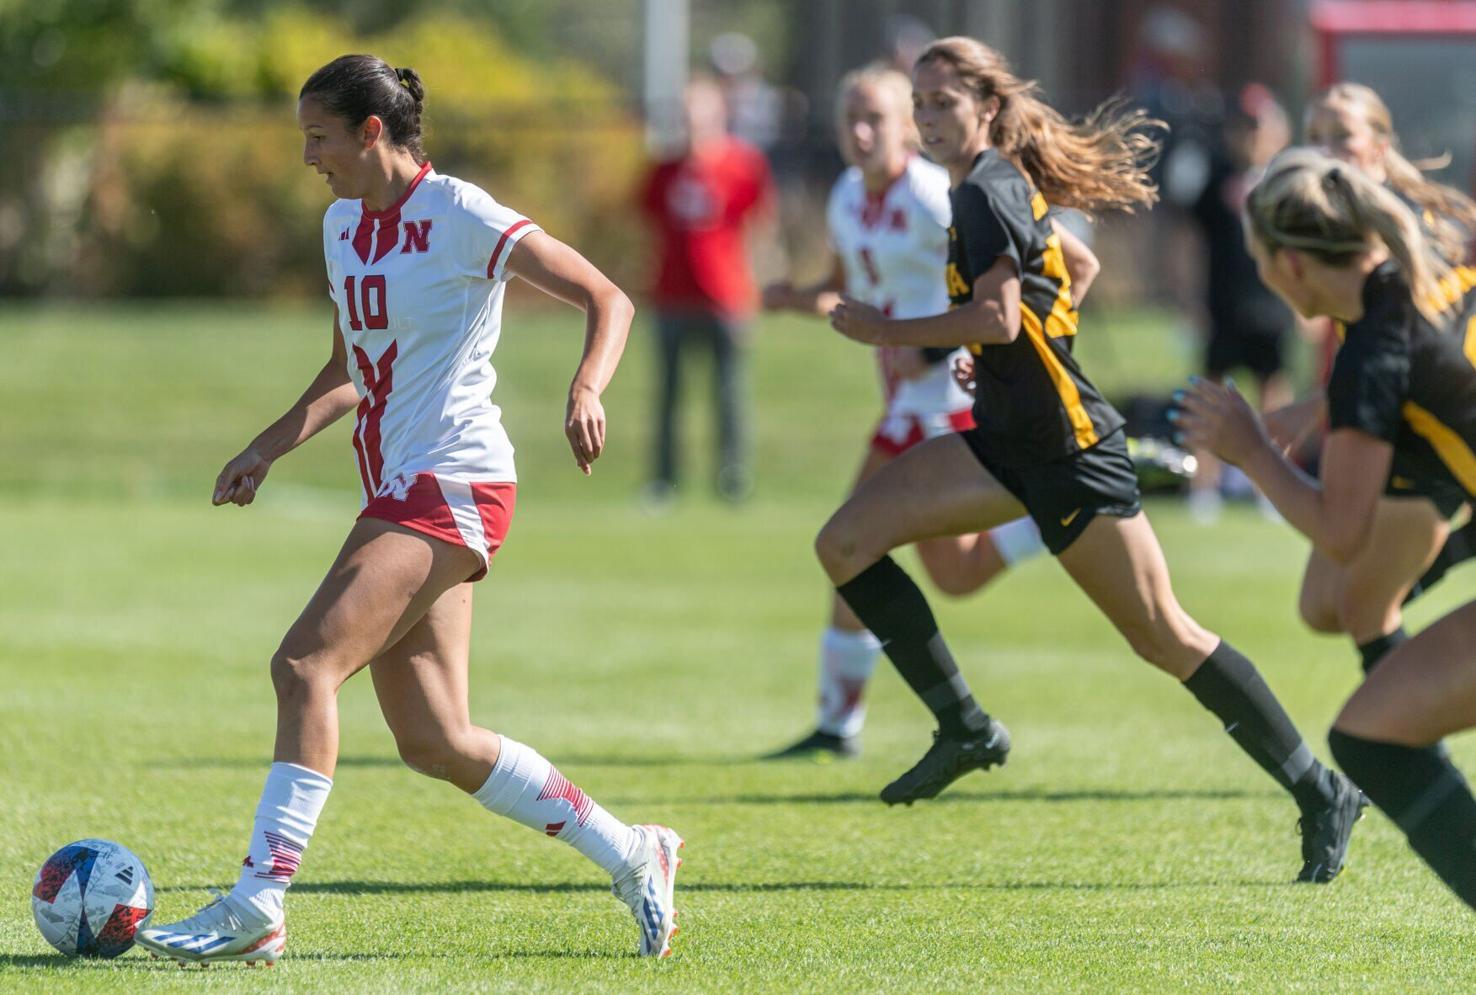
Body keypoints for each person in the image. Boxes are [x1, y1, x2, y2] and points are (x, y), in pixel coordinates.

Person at [135, 56, 682, 966]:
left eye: (319, 137)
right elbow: (352, 367)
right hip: (397, 486)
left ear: (371, 133)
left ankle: (259, 902)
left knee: (303, 664)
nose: (308, 156)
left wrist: (588, 385)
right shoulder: (343, 225)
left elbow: (607, 295)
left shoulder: (461, 213)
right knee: (437, 740)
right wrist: (268, 444)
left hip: (455, 481)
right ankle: (636, 849)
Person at [816, 36, 1364, 883]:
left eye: (942, 103)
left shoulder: (981, 191)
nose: (926, 118)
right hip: (1005, 440)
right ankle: (965, 727)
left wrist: (894, 331)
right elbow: (1076, 264)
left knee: (1166, 635)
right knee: (845, 542)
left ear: (987, 107)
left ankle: (1320, 787)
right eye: (918, 103)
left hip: (1070, 451)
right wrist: (1024, 344)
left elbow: (997, 316)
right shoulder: (986, 185)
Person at [1177, 147, 1476, 909]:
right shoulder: (1437, 260)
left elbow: (1340, 535)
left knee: (1372, 736)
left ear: (1290, 266)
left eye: (1260, 262)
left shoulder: (1376, 346)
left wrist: (1247, 448)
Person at [761, 64, 1046, 760]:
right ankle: (1054, 514)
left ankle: (838, 727)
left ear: (909, 126)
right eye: (850, 119)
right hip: (903, 403)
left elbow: (1007, 279)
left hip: (948, 401)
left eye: (876, 119)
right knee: (916, 564)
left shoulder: (932, 196)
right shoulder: (845, 196)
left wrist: (935, 342)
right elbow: (842, 291)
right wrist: (789, 298)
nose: (861, 133)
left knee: (869, 546)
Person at [1264, 84, 1476, 677]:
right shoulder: (1344, 227)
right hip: (1399, 414)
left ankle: (1392, 742)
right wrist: (1318, 404)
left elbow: (1413, 356)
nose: (1327, 151)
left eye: (1342, 136)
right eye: (1314, 138)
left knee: (1357, 605)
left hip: (1429, 433)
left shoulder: (1406, 229)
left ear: (1380, 148)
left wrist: (1254, 448)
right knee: (1321, 606)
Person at [639, 76, 776, 504]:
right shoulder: (663, 169)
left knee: (729, 397)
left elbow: (762, 225)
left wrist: (756, 283)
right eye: (684, 114)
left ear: (718, 114)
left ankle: (732, 479)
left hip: (726, 296)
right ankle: (664, 482)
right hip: (672, 297)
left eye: (698, 112)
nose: (690, 122)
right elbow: (645, 226)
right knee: (668, 398)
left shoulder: (743, 164)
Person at [1183, 84, 1295, 523]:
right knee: (1210, 398)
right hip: (1223, 306)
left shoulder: (1285, 182)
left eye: (1260, 126)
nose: (1252, 135)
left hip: (1272, 307)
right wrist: (1188, 299)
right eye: (1245, 126)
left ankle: (1271, 490)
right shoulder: (1214, 176)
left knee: (1275, 399)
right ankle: (1202, 487)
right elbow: (1188, 241)